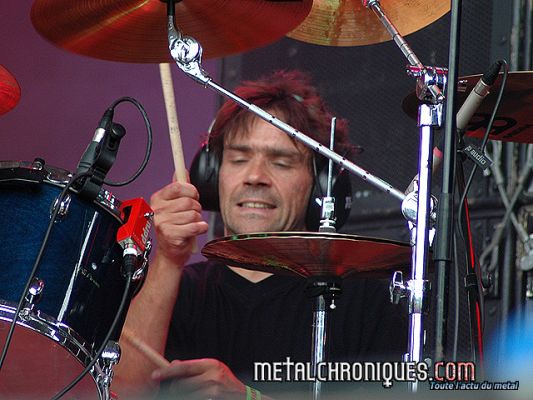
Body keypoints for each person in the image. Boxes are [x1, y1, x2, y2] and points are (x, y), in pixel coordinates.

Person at [113, 70, 407, 399]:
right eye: (239, 159)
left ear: (322, 186)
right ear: (211, 176)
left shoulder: (368, 301)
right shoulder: (174, 291)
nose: (255, 176)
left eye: (281, 163)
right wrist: (169, 258)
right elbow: (123, 392)